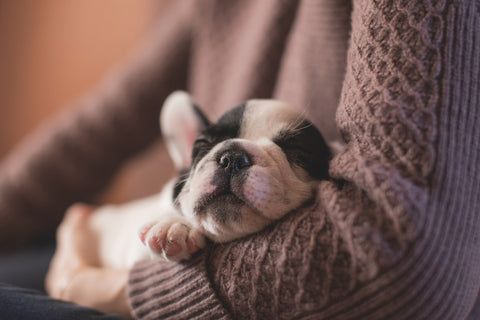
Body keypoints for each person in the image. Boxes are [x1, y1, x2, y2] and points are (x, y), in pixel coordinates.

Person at [1, 1, 480, 319]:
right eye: (212, 148)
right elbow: (96, 128)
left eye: (290, 152)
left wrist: (97, 285)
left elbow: (401, 260)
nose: (230, 160)